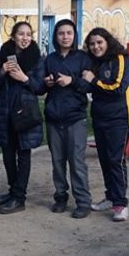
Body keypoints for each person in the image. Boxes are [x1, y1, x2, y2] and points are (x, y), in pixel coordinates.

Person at [0, 21, 45, 214]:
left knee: (23, 154)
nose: (25, 38)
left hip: (26, 113)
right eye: (21, 34)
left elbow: (40, 87)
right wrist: (2, 71)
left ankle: (19, 198)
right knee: (7, 154)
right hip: (6, 112)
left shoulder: (37, 57)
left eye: (28, 34)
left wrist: (25, 79)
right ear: (13, 36)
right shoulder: (4, 53)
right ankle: (13, 191)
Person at [82, 27, 129, 222]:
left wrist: (94, 80)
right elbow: (89, 86)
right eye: (92, 44)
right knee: (104, 159)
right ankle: (110, 196)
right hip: (100, 118)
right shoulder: (96, 63)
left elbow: (117, 87)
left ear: (107, 42)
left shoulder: (121, 60)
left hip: (119, 119)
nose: (96, 47)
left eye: (99, 42)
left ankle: (121, 203)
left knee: (116, 160)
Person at [43, 18, 94, 218]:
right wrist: (47, 82)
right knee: (57, 161)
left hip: (75, 117)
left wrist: (72, 80)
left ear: (74, 36)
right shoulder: (50, 59)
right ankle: (61, 197)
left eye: (69, 33)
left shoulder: (83, 58)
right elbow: (41, 85)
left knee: (76, 161)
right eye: (61, 33)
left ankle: (83, 201)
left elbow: (89, 85)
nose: (65, 37)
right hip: (54, 116)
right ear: (56, 36)